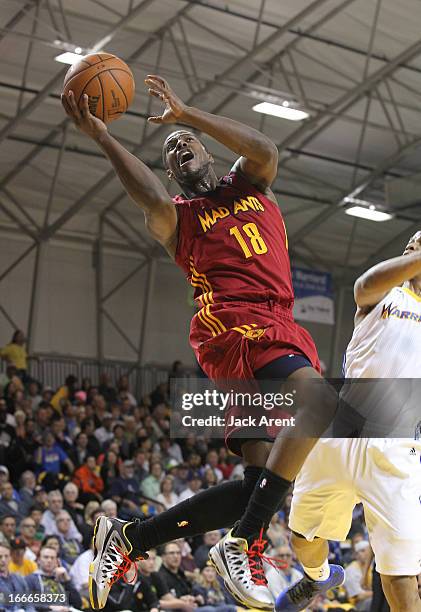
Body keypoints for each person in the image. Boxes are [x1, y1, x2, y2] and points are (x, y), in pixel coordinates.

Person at [62, 74, 336, 611]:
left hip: (279, 322)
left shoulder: (252, 186)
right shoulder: (178, 219)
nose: (180, 147)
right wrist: (104, 138)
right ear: (172, 175)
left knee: (257, 487)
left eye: (186, 142)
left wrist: (185, 115)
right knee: (321, 400)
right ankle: (243, 541)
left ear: (210, 152)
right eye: (171, 152)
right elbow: (145, 192)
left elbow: (264, 148)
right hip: (233, 326)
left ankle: (130, 539)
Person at [276, 230, 421, 612]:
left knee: (398, 572)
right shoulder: (383, 295)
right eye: (409, 245)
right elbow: (362, 285)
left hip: (396, 447)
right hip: (340, 433)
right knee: (302, 535)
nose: (412, 247)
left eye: (419, 245)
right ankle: (320, 577)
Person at [344, 540, 373, 611]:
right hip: (356, 605)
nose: (367, 553)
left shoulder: (370, 568)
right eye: (363, 551)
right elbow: (359, 596)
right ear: (356, 555)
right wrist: (379, 593)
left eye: (367, 551)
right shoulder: (351, 570)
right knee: (372, 602)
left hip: (369, 598)